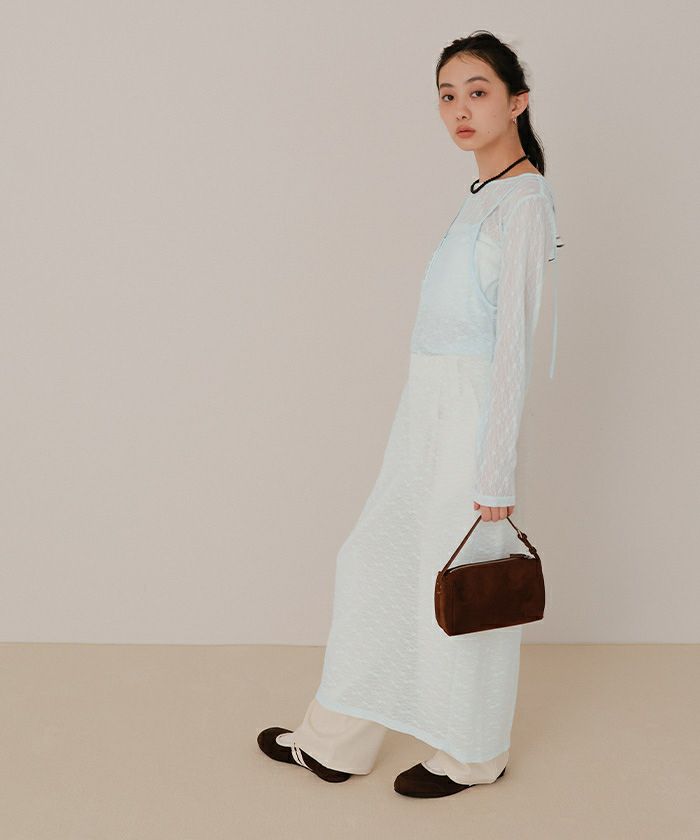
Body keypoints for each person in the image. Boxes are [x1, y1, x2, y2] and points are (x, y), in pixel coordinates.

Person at [258, 30, 563, 799]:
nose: (460, 108)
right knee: (378, 564)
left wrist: (495, 472)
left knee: (465, 583)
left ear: (517, 102)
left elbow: (514, 349)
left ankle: (473, 754)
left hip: (472, 422)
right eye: (447, 95)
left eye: (478, 92)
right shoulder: (483, 196)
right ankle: (336, 742)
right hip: (426, 413)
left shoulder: (525, 202)